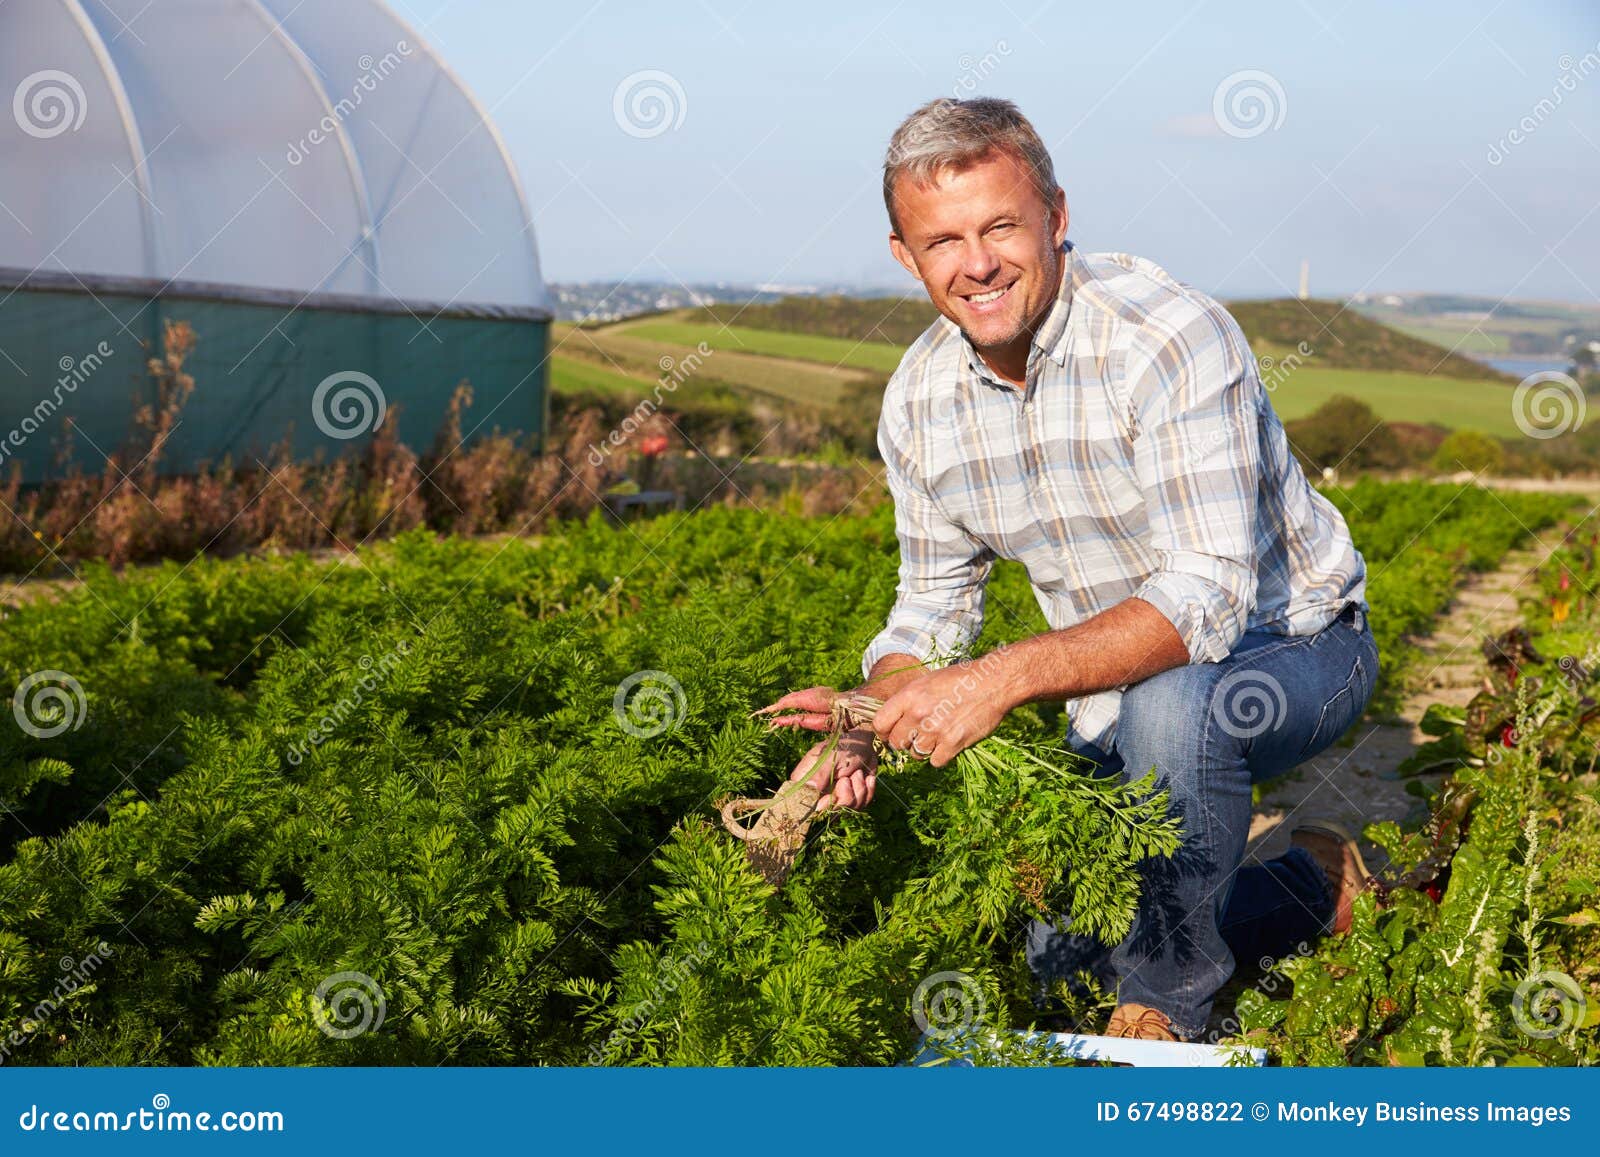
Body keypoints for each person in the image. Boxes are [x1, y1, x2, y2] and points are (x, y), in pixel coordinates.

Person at [759, 97, 1377, 1043]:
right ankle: (1309, 886)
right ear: (904, 256)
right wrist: (871, 713)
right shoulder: (919, 401)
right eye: (943, 241)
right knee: (1056, 958)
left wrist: (999, 679)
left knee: (1178, 704)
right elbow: (932, 603)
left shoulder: (1166, 338)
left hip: (1293, 650)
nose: (976, 264)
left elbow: (1206, 601)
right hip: (1113, 692)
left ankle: (1165, 1016)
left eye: (1001, 225)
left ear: (1055, 214)